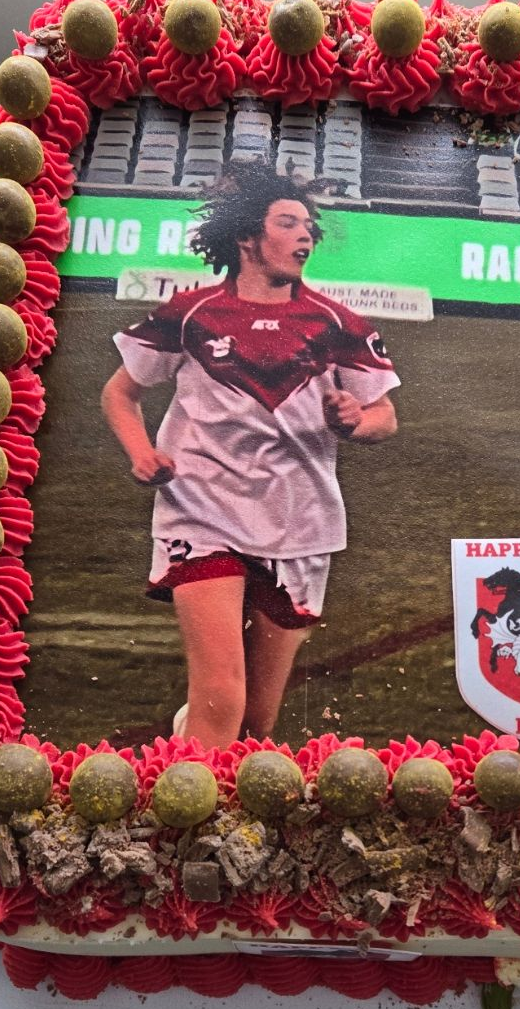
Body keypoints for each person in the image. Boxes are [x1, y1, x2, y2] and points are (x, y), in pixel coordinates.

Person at [101, 164, 400, 748]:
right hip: (200, 510)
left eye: (308, 226)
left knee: (256, 727)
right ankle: (191, 791)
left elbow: (384, 417)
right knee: (220, 694)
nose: (305, 235)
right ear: (246, 236)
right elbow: (120, 393)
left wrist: (355, 421)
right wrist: (142, 452)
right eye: (287, 223)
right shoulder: (189, 314)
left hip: (299, 521)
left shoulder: (338, 324)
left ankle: (191, 738)